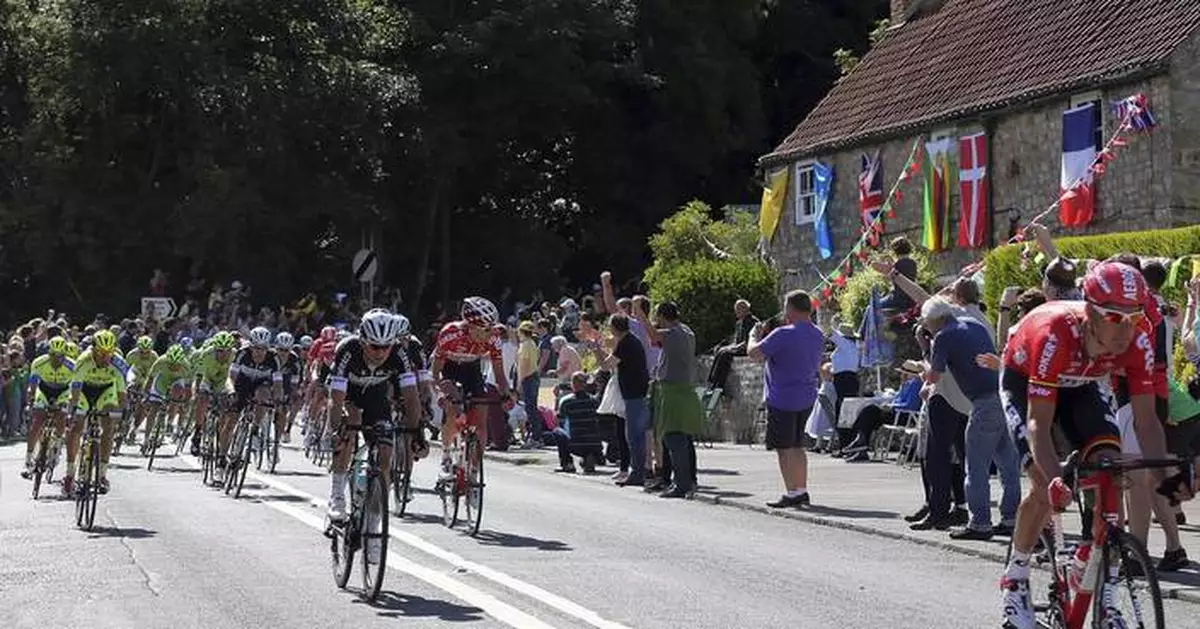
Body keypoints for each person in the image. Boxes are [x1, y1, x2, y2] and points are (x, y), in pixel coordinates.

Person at [996, 262, 1195, 629]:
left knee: (1112, 467)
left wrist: (1167, 475)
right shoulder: (1054, 334)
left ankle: (1106, 595)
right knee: (1042, 484)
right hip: (1026, 380)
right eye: (1114, 317)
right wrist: (1055, 481)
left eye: (1135, 318)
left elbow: (1147, 420)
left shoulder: (1138, 341)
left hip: (1082, 385)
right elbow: (1039, 422)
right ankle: (1016, 576)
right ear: (1090, 312)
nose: (1126, 329)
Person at [921, 297, 1020, 540]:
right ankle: (1011, 518)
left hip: (983, 403)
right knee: (1008, 465)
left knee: (975, 466)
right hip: (1002, 395)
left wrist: (921, 368)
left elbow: (934, 376)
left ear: (934, 320)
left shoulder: (943, 336)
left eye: (926, 323)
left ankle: (980, 523)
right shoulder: (974, 324)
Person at [325, 309, 421, 531]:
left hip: (376, 397)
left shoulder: (399, 353)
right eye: (374, 346)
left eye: (385, 346)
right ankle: (337, 495)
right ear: (362, 341)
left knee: (385, 454)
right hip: (349, 394)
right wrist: (335, 428)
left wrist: (416, 432)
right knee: (349, 426)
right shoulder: (347, 350)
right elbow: (336, 398)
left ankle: (374, 519)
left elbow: (411, 396)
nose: (380, 352)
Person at [748, 290, 824, 508]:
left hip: (782, 396)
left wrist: (753, 336)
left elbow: (754, 353)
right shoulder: (817, 334)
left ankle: (792, 492)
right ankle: (801, 488)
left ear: (790, 309)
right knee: (798, 445)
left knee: (784, 447)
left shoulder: (783, 333)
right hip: (806, 395)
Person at [640, 302, 703, 499]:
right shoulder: (687, 331)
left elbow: (652, 335)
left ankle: (682, 484)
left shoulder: (673, 333)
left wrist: (639, 312)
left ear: (661, 316)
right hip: (686, 391)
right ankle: (690, 480)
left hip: (673, 392)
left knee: (673, 437)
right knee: (685, 438)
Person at [603, 313, 650, 487]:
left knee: (634, 435)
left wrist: (595, 350)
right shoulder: (632, 340)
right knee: (634, 434)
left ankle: (638, 473)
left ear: (615, 327)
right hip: (636, 392)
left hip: (634, 394)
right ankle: (638, 471)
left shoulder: (625, 343)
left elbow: (606, 365)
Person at [550, 371, 603, 473]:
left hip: (575, 444)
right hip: (595, 443)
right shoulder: (594, 401)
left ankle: (567, 463)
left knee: (557, 431)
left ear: (573, 384)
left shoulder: (567, 402)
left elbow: (559, 420)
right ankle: (589, 455)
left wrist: (557, 398)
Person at [706, 299, 759, 391]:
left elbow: (749, 340)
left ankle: (719, 385)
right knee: (721, 351)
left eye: (738, 309)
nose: (736, 312)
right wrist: (728, 347)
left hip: (746, 348)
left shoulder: (753, 322)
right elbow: (736, 340)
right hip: (738, 347)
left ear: (745, 309)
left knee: (726, 354)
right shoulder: (738, 323)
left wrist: (733, 348)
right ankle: (713, 381)